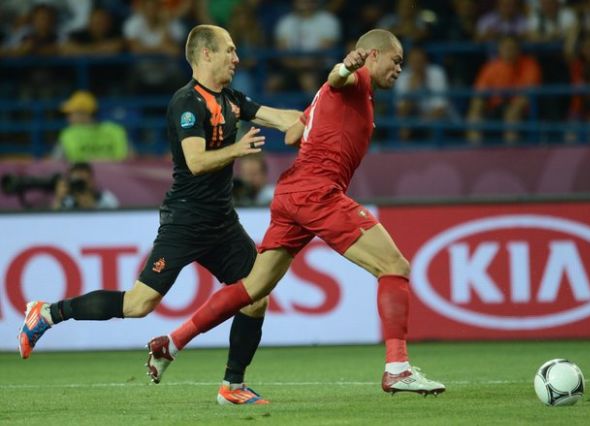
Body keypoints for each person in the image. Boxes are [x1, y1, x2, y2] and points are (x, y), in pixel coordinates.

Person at [146, 29, 446, 397]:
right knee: (394, 267)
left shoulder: (331, 97)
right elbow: (337, 77)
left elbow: (292, 135)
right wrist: (345, 67)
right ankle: (398, 369)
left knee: (253, 288)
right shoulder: (356, 79)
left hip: (291, 192)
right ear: (371, 55)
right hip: (317, 192)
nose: (399, 68)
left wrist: (322, 123)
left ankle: (171, 343)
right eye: (395, 60)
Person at [19, 24, 302, 406]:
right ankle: (48, 313)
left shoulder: (232, 99)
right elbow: (196, 161)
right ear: (206, 54)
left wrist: (320, 111)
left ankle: (232, 386)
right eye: (229, 50)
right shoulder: (186, 102)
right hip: (185, 220)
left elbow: (282, 118)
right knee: (139, 304)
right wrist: (237, 150)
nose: (237, 58)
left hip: (221, 222)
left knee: (257, 296)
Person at [51, 90, 131, 162]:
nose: (68, 118)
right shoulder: (68, 134)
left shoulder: (115, 130)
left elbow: (129, 158)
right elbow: (55, 162)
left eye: (70, 113)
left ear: (84, 113)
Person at [50, 162, 119, 210]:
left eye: (84, 176)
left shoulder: (105, 198)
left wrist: (91, 204)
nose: (80, 176)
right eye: (77, 180)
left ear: (91, 180)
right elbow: (54, 222)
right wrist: (59, 199)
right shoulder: (68, 201)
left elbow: (117, 220)